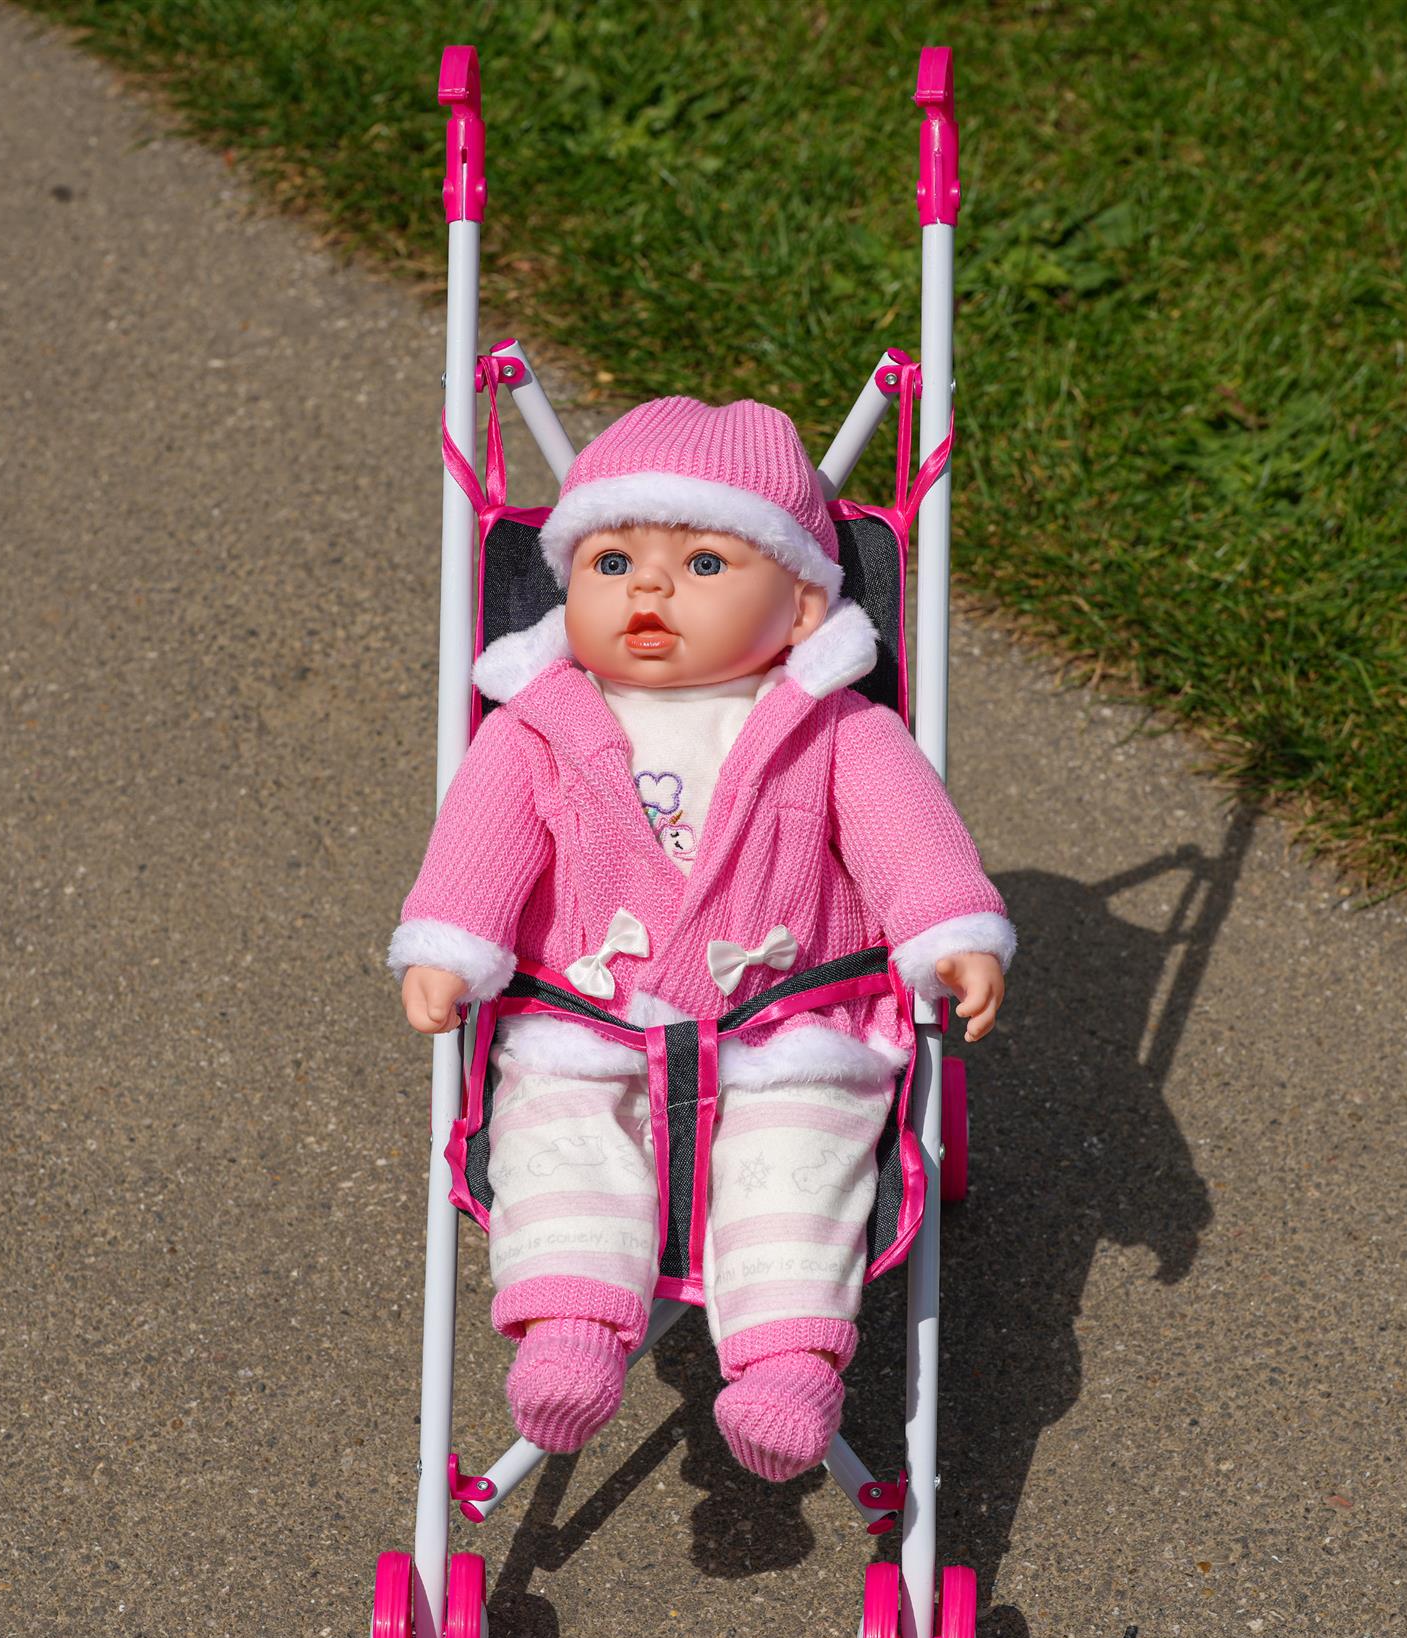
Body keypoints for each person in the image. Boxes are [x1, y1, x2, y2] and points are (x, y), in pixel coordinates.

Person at [390, 395, 1013, 1481]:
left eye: (708, 564)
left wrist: (949, 929)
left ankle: (786, 1364)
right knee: (558, 1145)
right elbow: (479, 846)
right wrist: (450, 940)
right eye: (613, 557)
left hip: (791, 1028)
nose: (650, 588)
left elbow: (908, 840)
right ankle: (572, 1327)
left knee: (797, 1170)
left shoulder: (830, 725)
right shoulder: (539, 719)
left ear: (806, 608)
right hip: (585, 1021)